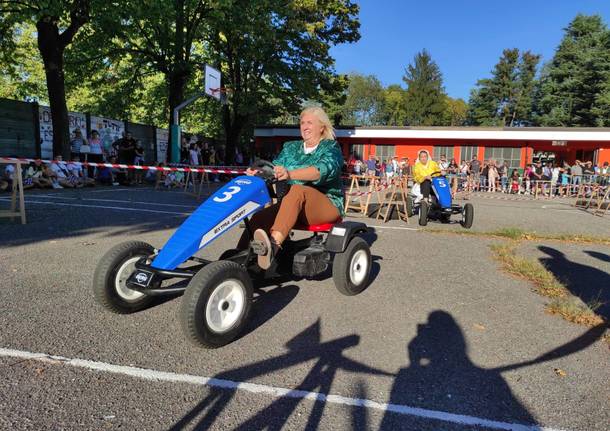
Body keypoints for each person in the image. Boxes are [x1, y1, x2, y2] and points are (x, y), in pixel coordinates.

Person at [237, 106, 343, 270]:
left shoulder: (331, 148)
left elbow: (321, 171)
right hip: (292, 203)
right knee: (259, 218)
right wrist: (257, 173)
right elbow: (275, 169)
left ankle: (272, 246)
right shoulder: (291, 148)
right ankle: (237, 260)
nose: (305, 127)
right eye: (302, 123)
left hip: (326, 205)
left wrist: (290, 174)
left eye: (310, 123)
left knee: (297, 191)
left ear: (322, 127)